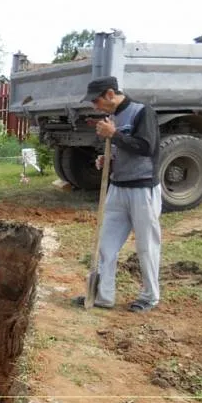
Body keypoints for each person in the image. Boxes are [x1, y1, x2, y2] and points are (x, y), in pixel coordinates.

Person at [72, 76, 162, 312]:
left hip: (143, 189)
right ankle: (103, 296)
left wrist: (115, 135)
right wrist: (109, 159)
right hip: (118, 187)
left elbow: (146, 147)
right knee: (106, 245)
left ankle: (149, 297)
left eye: (96, 100)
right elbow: (124, 149)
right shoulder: (112, 118)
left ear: (110, 94)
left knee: (146, 245)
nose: (94, 106)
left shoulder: (143, 112)